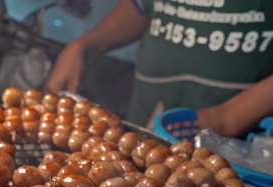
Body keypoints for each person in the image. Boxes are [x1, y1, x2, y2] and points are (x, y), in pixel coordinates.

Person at [45, 0, 273, 138]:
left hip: (239, 146)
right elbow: (143, 6)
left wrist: (226, 118)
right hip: (148, 115)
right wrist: (88, 43)